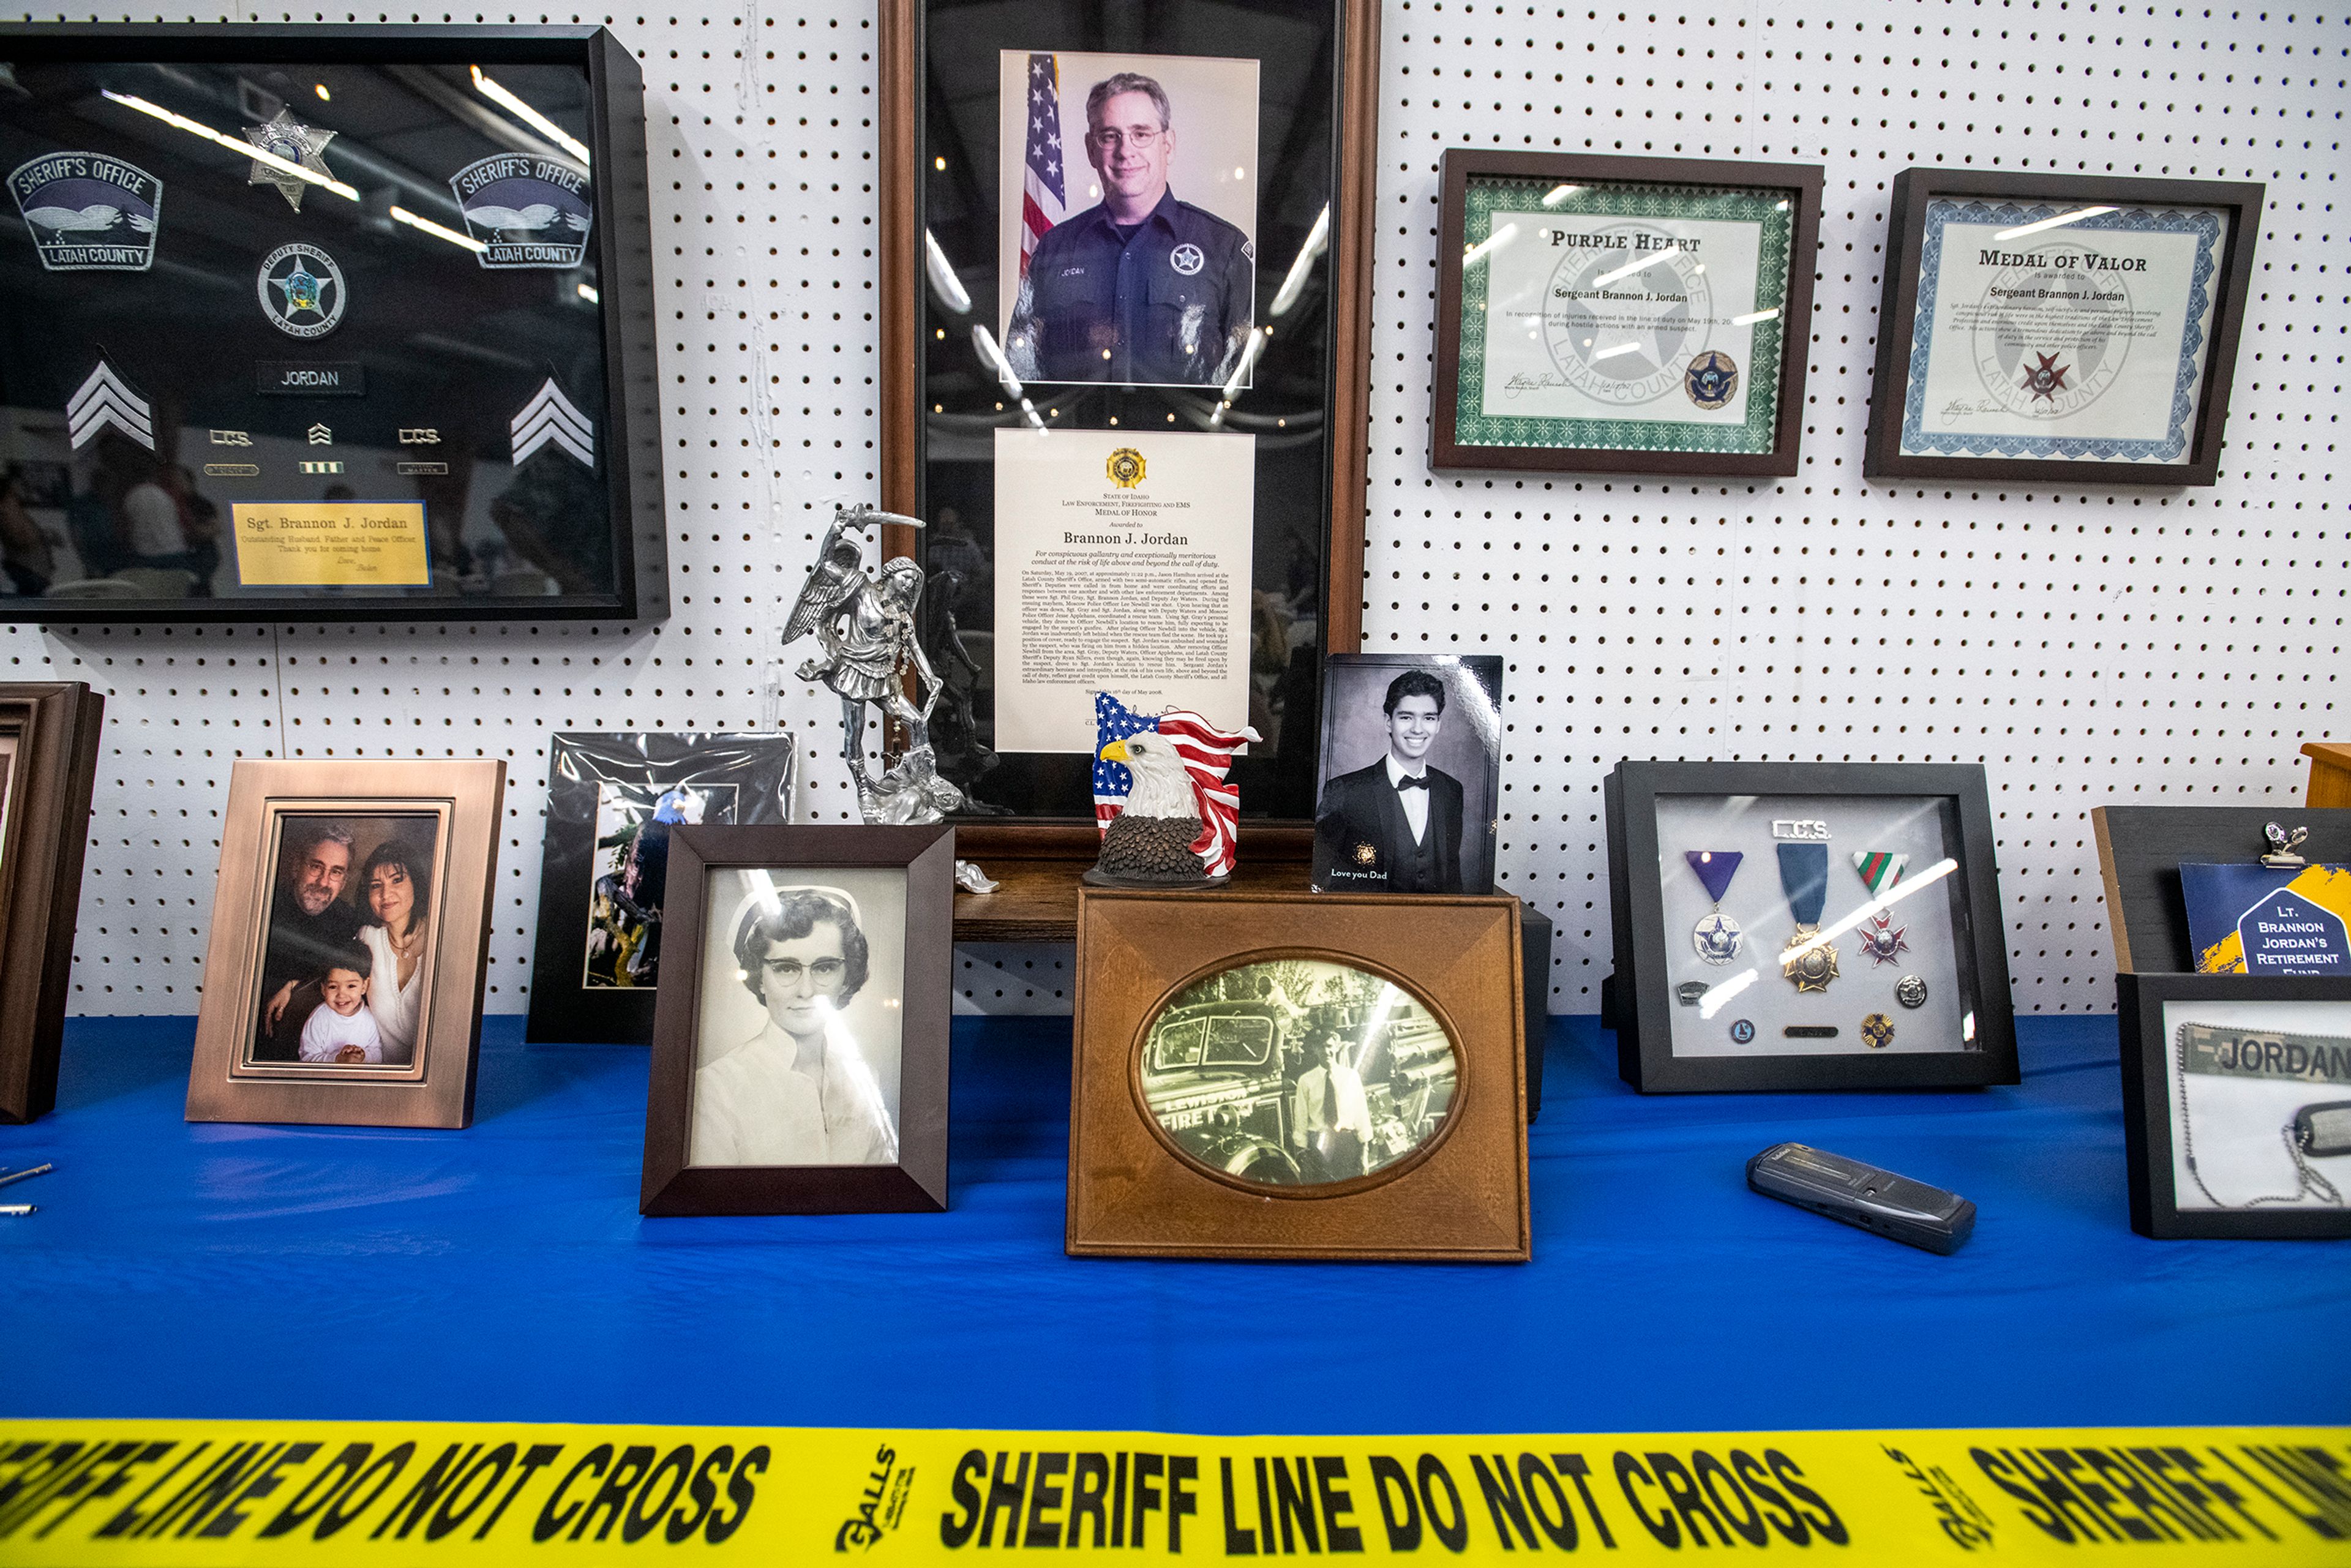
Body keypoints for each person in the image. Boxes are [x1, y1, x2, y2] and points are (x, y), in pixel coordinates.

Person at [1004, 71, 1254, 386]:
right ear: (1091, 150)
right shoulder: (1055, 249)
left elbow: (1242, 377)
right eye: (1110, 136)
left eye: (1142, 133)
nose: (1126, 151)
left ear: (1168, 145)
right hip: (1076, 434)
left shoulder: (1224, 248)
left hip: (1184, 434)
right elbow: (1021, 370)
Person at [690, 887, 898, 1166]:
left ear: (847, 978)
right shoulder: (715, 1087)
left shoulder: (863, 1076)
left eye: (825, 968)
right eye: (786, 968)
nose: (806, 990)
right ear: (760, 978)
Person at [1311, 669, 1465, 893]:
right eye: (1406, 717)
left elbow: (1453, 880)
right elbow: (1322, 881)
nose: (1418, 729)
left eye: (1429, 718)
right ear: (1388, 722)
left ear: (1438, 724)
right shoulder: (1345, 791)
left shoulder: (1451, 790)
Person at [255, 824, 361, 1062]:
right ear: (296, 867)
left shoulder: (350, 921)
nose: (324, 882)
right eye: (316, 867)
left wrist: (295, 985)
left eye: (336, 872)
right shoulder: (262, 908)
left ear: (343, 882)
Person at [355, 838, 433, 1066]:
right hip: (382, 1078)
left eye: (397, 881)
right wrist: (293, 985)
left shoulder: (441, 936)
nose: (385, 894)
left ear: (415, 883)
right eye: (376, 885)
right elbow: (328, 965)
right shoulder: (366, 937)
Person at [1290, 1032, 1373, 1182]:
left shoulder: (1351, 1077)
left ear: (1336, 1047)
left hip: (1347, 1144)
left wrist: (1365, 1153)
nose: (1326, 1051)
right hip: (1318, 1145)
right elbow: (1300, 1120)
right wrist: (1302, 1156)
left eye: (1329, 1046)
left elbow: (1362, 1116)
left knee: (1349, 1191)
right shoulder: (1306, 1081)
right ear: (1315, 1049)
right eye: (1321, 1047)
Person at [297, 943, 384, 1065]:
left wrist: (363, 1056)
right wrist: (337, 1060)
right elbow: (307, 1058)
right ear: (323, 989)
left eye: (351, 986)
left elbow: (377, 1053)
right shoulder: (319, 1018)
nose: (341, 995)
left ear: (364, 986)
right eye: (333, 987)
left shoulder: (370, 1017)